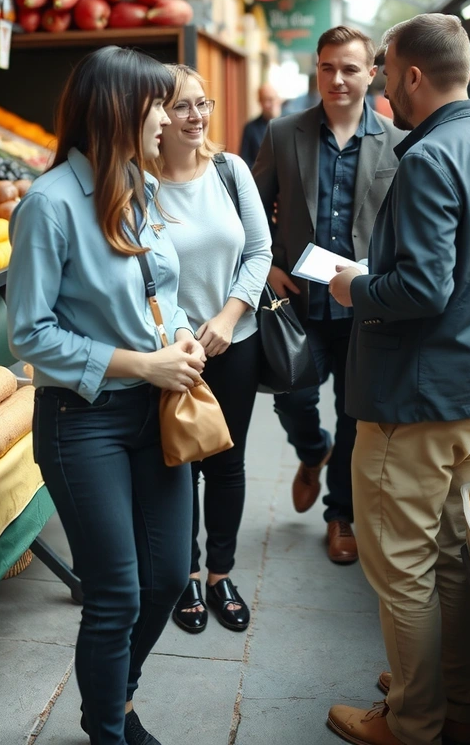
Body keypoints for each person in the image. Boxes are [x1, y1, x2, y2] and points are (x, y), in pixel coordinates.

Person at [326, 14, 470, 745]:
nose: (382, 85)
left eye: (385, 71)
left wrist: (355, 286)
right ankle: (452, 699)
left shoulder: (427, 158)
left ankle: (412, 723)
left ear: (412, 75)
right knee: (450, 553)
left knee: (401, 565)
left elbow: (421, 287)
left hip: (417, 401)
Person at [6, 46, 208, 745]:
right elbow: (30, 334)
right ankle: (107, 729)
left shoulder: (138, 185)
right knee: (117, 593)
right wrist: (144, 364)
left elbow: (162, 292)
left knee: (170, 577)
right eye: (158, 106)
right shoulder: (48, 204)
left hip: (156, 413)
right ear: (121, 110)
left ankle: (115, 700)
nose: (170, 120)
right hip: (81, 423)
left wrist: (180, 338)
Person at [252, 26, 403, 565]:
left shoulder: (399, 142)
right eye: (327, 68)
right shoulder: (283, 132)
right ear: (316, 69)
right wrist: (269, 266)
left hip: (366, 307)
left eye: (349, 69)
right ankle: (313, 451)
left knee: (355, 416)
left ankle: (341, 515)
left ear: (371, 74)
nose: (337, 79)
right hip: (300, 303)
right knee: (292, 396)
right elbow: (251, 211)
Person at [154, 65, 271, 635]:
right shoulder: (137, 181)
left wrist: (229, 316)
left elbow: (260, 250)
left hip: (235, 341)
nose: (197, 116)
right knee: (179, 465)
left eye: (202, 103)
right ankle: (187, 575)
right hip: (169, 352)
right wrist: (178, 334)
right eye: (182, 106)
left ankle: (221, 573)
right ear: (157, 115)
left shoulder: (230, 170)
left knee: (227, 463)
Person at [239, 83, 283, 166]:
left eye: (274, 99)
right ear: (260, 102)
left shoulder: (290, 124)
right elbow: (245, 161)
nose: (272, 104)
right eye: (267, 100)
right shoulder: (250, 128)